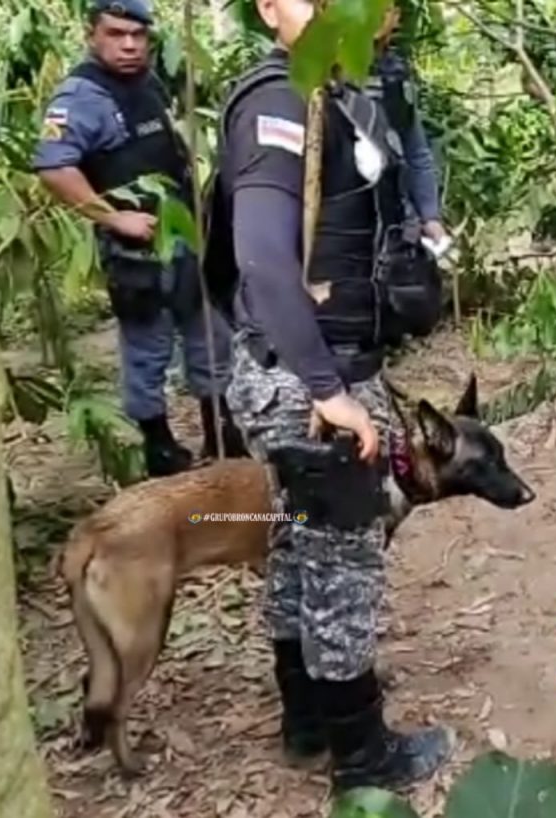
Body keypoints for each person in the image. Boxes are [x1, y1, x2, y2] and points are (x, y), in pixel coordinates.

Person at [205, 0, 452, 792]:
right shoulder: (279, 101)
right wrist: (325, 387)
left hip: (310, 366)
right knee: (343, 565)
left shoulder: (346, 98)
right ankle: (364, 764)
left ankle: (308, 723)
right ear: (270, 8)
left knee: (302, 543)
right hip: (311, 380)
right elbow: (262, 261)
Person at [32, 0, 247, 477]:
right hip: (136, 251)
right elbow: (54, 168)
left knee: (208, 333)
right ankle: (160, 448)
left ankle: (221, 433)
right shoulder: (80, 97)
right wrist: (113, 219)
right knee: (146, 347)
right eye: (116, 34)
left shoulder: (147, 83)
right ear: (92, 35)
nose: (129, 45)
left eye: (138, 35)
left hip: (182, 234)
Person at [365, 6, 449, 246]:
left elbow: (416, 153)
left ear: (396, 17)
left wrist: (430, 216)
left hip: (395, 221)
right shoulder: (327, 73)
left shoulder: (395, 75)